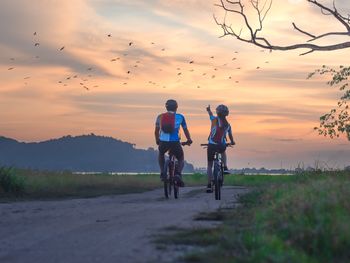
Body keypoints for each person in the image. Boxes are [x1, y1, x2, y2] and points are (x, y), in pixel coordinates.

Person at [155, 99, 192, 186]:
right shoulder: (180, 117)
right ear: (176, 107)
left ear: (166, 107)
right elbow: (185, 130)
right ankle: (178, 174)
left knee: (161, 153)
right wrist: (189, 139)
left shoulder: (160, 117)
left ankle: (162, 173)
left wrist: (157, 140)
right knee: (181, 158)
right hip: (175, 142)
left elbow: (156, 131)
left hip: (163, 141)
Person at [206, 104, 235, 193]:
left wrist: (208, 110)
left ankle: (209, 185)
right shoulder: (228, 125)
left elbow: (210, 115)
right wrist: (232, 142)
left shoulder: (213, 120)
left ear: (217, 113)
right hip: (221, 145)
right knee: (223, 151)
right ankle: (225, 167)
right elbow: (230, 136)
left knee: (210, 165)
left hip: (211, 145)